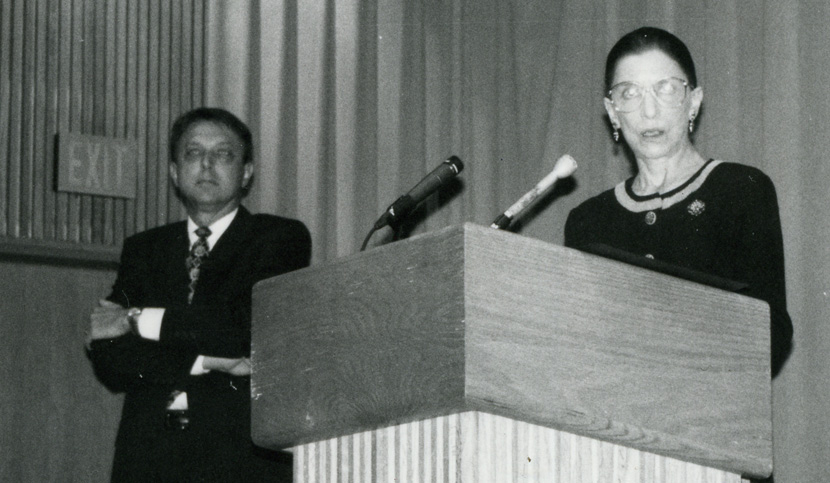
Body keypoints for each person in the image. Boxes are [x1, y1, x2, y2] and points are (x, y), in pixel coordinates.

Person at [87, 107, 311, 482]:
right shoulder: (144, 249)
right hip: (149, 458)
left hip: (239, 458)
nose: (206, 165)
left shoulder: (278, 238)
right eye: (193, 154)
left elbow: (242, 329)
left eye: (223, 154)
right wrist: (208, 360)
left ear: (247, 172)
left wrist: (135, 318)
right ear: (174, 172)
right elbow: (110, 356)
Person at [564, 27, 792, 380]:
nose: (649, 111)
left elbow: (771, 335)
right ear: (612, 111)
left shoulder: (741, 190)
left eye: (666, 89)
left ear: (694, 100)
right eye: (630, 93)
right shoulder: (589, 221)